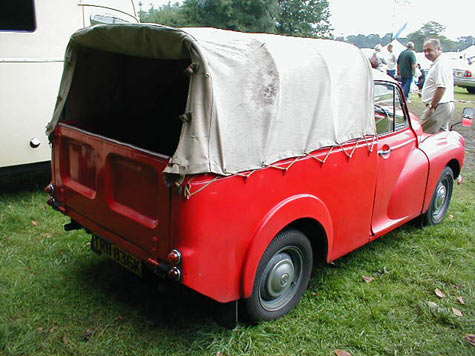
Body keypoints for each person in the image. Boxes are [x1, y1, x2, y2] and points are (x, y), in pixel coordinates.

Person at [420, 39, 454, 134]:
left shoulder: (440, 65)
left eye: (429, 50)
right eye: (425, 51)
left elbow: (441, 87)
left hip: (440, 105)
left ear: (438, 49)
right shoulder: (439, 63)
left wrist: (433, 106)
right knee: (441, 135)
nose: (427, 53)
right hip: (443, 105)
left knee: (422, 134)